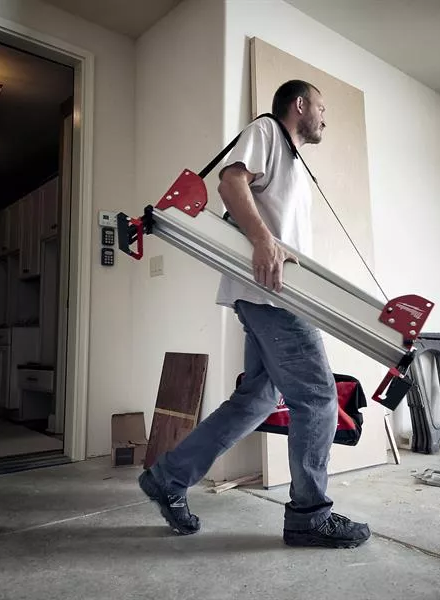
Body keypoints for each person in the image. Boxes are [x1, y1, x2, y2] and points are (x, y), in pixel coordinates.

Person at [138, 80, 371, 549]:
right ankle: (309, 516)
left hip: (268, 295)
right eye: (321, 108)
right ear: (299, 105)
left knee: (256, 401)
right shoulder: (267, 131)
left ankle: (169, 477)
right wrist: (264, 241)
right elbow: (230, 182)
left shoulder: (292, 161)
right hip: (274, 297)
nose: (324, 118)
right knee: (318, 398)